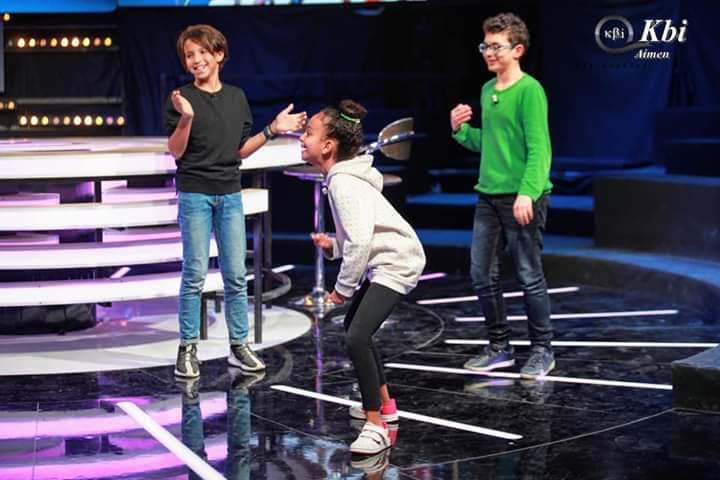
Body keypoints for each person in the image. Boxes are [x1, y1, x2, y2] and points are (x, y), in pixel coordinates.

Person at [166, 24, 306, 378]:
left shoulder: (236, 97)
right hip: (195, 193)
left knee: (236, 276)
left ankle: (239, 345)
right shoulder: (181, 98)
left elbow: (239, 151)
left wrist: (272, 129)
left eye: (202, 52)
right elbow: (176, 151)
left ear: (219, 55)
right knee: (195, 274)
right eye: (189, 55)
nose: (196, 60)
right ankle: (187, 348)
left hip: (230, 193)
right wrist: (186, 117)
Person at [300, 99, 425, 455]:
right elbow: (359, 234)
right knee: (356, 330)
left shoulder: (343, 182)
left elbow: (360, 241)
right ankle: (385, 407)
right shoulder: (342, 178)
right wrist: (333, 246)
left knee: (357, 336)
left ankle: (375, 425)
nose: (302, 138)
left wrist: (342, 289)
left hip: (397, 261)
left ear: (328, 146)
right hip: (385, 259)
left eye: (309, 133)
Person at [450, 12, 555, 377]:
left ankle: (542, 350)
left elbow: (539, 149)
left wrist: (527, 193)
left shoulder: (529, 91)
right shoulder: (487, 90)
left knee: (528, 274)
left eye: (496, 46)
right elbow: (491, 144)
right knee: (481, 275)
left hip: (522, 198)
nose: (489, 53)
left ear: (518, 50)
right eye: (485, 46)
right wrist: (462, 131)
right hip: (488, 198)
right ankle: (499, 348)